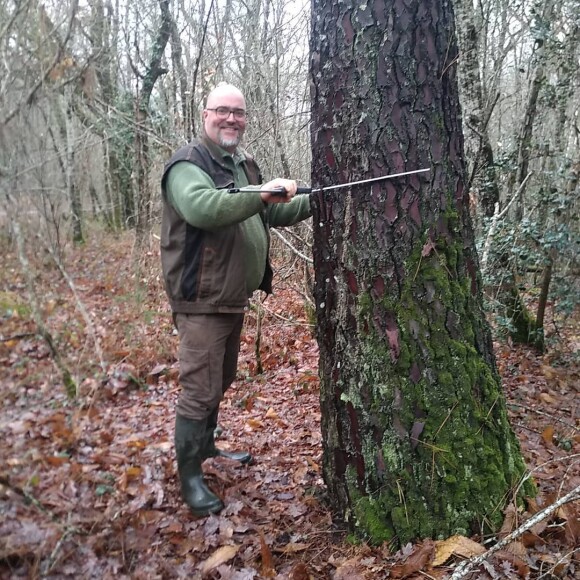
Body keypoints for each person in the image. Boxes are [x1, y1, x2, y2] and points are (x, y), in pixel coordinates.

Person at [160, 83, 312, 516]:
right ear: (205, 114)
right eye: (222, 111)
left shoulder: (242, 163)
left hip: (231, 297)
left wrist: (311, 200)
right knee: (200, 389)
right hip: (200, 300)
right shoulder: (188, 164)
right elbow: (202, 209)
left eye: (239, 113)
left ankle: (206, 447)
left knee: (220, 380)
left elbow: (268, 213)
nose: (231, 119)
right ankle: (189, 478)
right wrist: (263, 193)